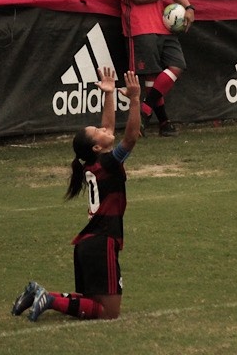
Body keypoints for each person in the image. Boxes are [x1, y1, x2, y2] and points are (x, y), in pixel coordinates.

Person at [11, 67, 140, 322]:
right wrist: (135, 100)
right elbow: (131, 137)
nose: (105, 129)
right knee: (109, 312)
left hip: (89, 243)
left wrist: (109, 94)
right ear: (97, 147)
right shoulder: (108, 163)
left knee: (95, 303)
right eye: (99, 132)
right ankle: (49, 300)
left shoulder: (95, 163)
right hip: (102, 242)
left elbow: (108, 127)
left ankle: (40, 293)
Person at [108, 0, 195, 137]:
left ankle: (145, 110)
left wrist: (188, 7)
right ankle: (164, 123)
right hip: (140, 26)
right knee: (151, 75)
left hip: (163, 24)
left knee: (177, 65)